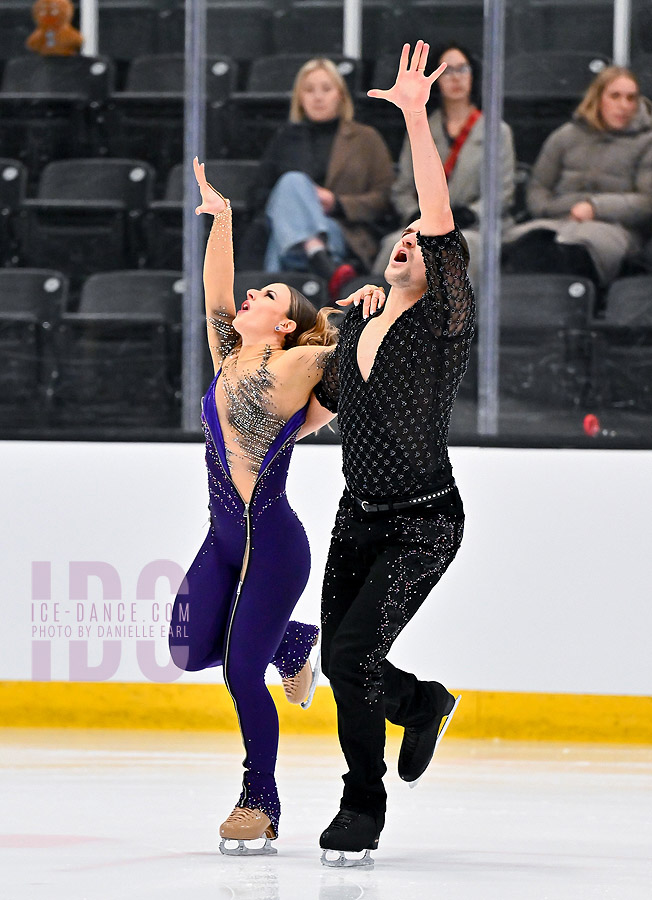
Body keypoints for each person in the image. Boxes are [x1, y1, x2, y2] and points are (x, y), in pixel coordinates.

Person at [302, 42, 475, 866]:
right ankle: (422, 700)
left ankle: (361, 801)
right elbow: (322, 412)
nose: (408, 239)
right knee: (348, 663)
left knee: (348, 654)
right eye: (399, 237)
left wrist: (412, 114)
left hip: (423, 523)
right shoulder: (353, 322)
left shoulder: (442, 323)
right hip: (356, 515)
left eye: (419, 240)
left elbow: (438, 218)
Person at [168, 157, 338, 856]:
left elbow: (347, 355)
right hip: (222, 541)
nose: (248, 296)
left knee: (242, 673)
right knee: (185, 650)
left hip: (273, 544)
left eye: (265, 293)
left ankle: (258, 798)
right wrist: (224, 219)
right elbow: (213, 291)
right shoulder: (226, 356)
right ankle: (294, 643)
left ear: (287, 324)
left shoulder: (299, 365)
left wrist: (367, 313)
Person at [248, 57, 395, 299]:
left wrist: (337, 203)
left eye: (326, 89)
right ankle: (318, 254)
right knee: (291, 183)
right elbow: (257, 194)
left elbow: (385, 198)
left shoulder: (366, 138)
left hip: (341, 233)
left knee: (290, 193)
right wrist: (295, 201)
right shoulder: (285, 139)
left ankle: (274, 296)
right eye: (309, 90)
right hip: (290, 238)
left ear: (341, 95)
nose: (318, 97)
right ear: (299, 97)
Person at [374, 42, 516, 290]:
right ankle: (386, 322)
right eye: (447, 71)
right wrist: (413, 214)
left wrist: (471, 213)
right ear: (434, 79)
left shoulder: (496, 130)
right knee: (392, 245)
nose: (456, 78)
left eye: (463, 69)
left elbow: (502, 193)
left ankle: (457, 324)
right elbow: (403, 188)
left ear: (474, 75)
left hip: (475, 226)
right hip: (425, 223)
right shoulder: (421, 126)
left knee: (462, 245)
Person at [504, 66, 652, 287]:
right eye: (615, 96)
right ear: (598, 98)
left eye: (631, 98)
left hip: (613, 229)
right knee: (519, 246)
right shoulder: (565, 136)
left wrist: (595, 207)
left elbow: (646, 201)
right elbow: (538, 188)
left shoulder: (647, 141)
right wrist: (552, 209)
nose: (624, 105)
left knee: (573, 254)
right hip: (556, 221)